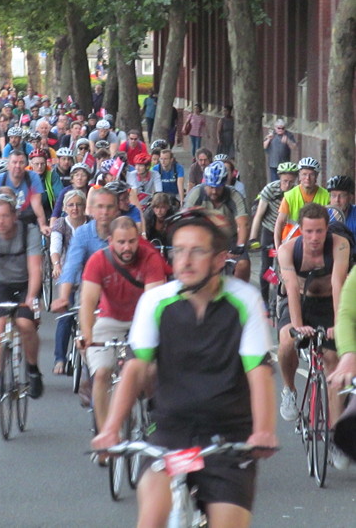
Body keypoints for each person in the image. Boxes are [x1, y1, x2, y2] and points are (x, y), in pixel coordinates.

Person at [93, 207, 276, 528]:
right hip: (170, 432)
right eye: (178, 250)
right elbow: (135, 369)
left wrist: (264, 430)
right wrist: (110, 428)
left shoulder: (244, 300)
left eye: (197, 251)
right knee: (151, 519)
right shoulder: (157, 302)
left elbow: (257, 373)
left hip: (228, 437)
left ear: (219, 259)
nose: (185, 260)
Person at [276, 203, 350, 467]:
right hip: (300, 303)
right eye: (309, 232)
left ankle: (337, 436)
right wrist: (298, 327)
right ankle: (288, 389)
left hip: (330, 304)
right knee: (286, 340)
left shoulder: (340, 245)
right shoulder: (288, 250)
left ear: (326, 229)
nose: (314, 237)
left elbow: (338, 283)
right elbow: (292, 288)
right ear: (301, 230)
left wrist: (340, 325)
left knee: (333, 361)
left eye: (319, 231)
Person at [80, 217, 166, 435]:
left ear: (138, 240)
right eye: (121, 242)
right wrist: (87, 335)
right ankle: (104, 434)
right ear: (110, 241)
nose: (127, 247)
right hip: (110, 320)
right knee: (101, 374)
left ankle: (152, 408)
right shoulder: (98, 260)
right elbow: (88, 302)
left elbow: (153, 303)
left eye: (131, 241)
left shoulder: (151, 258)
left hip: (142, 320)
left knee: (150, 371)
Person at [0, 194, 44, 398]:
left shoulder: (28, 233)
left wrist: (31, 297)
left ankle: (33, 370)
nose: (0, 221)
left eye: (4, 216)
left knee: (25, 324)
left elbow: (35, 269)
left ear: (15, 216)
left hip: (25, 283)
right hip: (0, 283)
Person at [51, 188, 119, 313]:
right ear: (92, 209)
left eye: (109, 207)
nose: (105, 212)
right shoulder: (82, 233)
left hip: (118, 293)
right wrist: (63, 297)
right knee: (70, 318)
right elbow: (72, 264)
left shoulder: (123, 231)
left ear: (116, 210)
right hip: (89, 287)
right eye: (100, 207)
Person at [184, 161, 251, 281]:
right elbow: (185, 221)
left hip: (230, 238)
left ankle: (239, 294)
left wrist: (240, 245)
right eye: (211, 187)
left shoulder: (234, 195)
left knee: (243, 265)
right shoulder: (196, 194)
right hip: (203, 237)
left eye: (218, 188)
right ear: (205, 183)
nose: (214, 192)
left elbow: (243, 223)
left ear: (224, 184)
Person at [50, 189, 89, 374]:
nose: (75, 208)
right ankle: (60, 358)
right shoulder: (60, 224)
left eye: (79, 204)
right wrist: (56, 264)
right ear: (65, 207)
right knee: (66, 316)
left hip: (89, 275)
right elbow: (55, 247)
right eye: (71, 205)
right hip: (67, 274)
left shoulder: (91, 224)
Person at [249, 162, 299, 303]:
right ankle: (264, 300)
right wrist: (253, 238)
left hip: (287, 232)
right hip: (269, 229)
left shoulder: (296, 191)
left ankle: (285, 297)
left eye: (291, 181)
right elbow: (259, 215)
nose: (287, 185)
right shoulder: (270, 189)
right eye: (284, 181)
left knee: (288, 266)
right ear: (279, 178)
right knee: (266, 267)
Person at [274, 157, 329, 248]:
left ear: (316, 176)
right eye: (304, 174)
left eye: (311, 175)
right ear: (299, 176)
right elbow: (279, 223)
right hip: (292, 242)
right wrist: (278, 247)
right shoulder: (290, 196)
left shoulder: (326, 196)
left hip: (316, 243)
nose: (307, 178)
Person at [0, 150, 50, 234]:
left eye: (21, 163)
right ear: (8, 165)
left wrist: (43, 225)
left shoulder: (33, 177)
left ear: (26, 166)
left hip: (27, 218)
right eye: (14, 162)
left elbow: (37, 206)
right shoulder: (0, 179)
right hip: (6, 218)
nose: (17, 166)